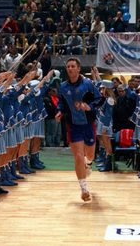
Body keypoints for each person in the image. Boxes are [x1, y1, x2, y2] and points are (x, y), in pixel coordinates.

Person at [55, 57, 101, 202]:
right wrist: (60, 111)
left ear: (79, 68)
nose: (70, 68)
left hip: (88, 124)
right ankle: (84, 189)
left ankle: (89, 164)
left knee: (90, 155)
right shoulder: (62, 87)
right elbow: (61, 103)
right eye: (68, 66)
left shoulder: (88, 84)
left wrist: (89, 107)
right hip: (73, 125)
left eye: (73, 66)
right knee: (78, 156)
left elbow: (99, 99)